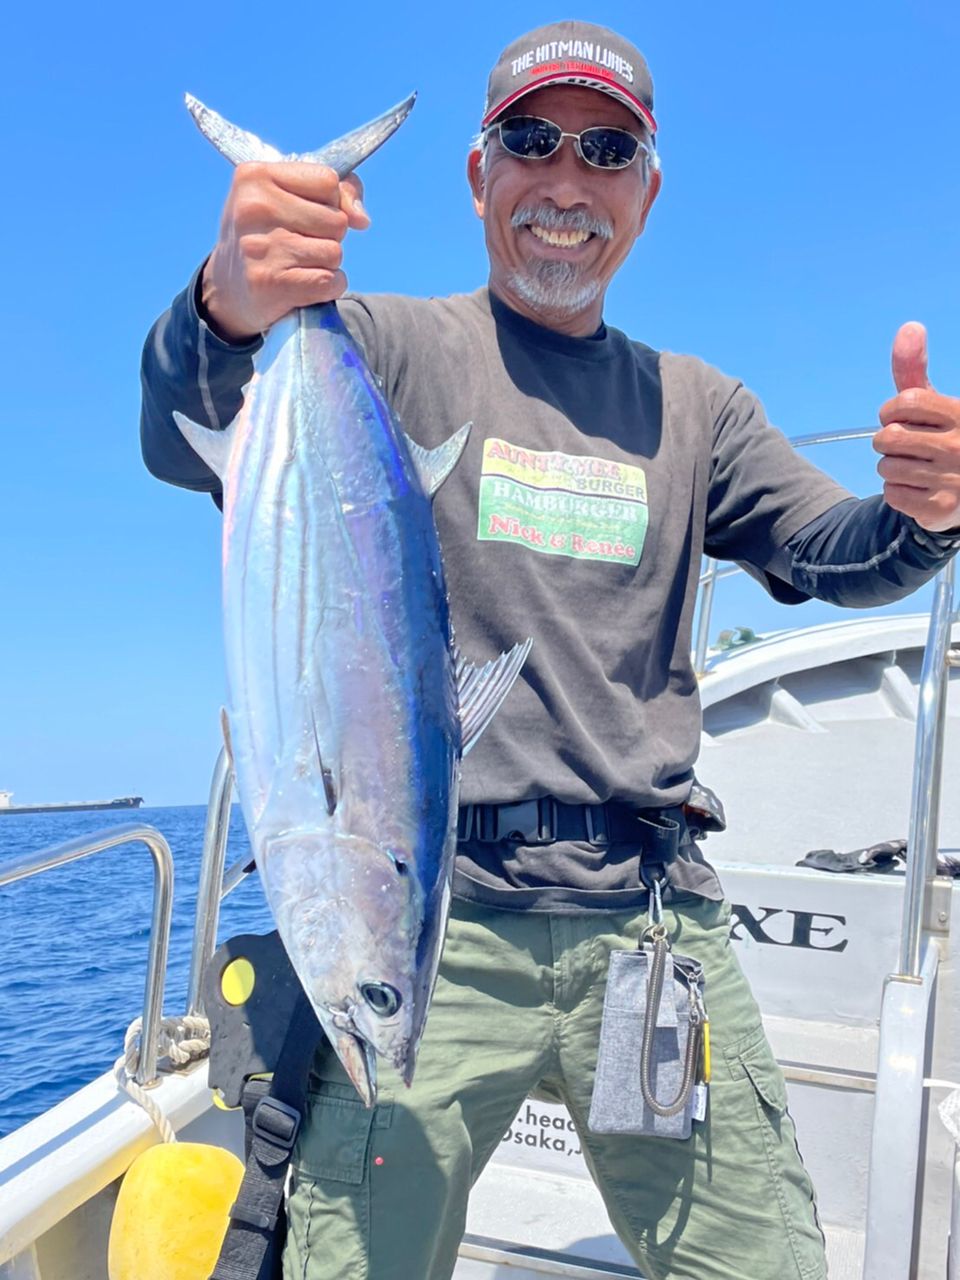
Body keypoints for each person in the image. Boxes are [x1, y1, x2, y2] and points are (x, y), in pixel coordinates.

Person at [140, 20, 960, 1280]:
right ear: (480, 174)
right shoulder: (378, 346)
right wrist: (225, 303)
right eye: (533, 140)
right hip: (432, 922)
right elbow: (185, 418)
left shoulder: (699, 405)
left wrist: (921, 515)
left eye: (607, 147)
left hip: (651, 921)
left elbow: (831, 553)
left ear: (647, 188)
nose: (566, 180)